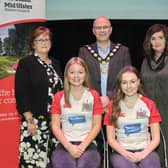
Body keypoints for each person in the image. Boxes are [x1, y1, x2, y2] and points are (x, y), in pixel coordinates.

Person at [15, 26, 63, 168]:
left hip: (55, 122)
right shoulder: (26, 63)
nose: (44, 43)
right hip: (35, 122)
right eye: (40, 40)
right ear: (33, 43)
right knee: (33, 161)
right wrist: (29, 120)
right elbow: (21, 94)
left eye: (47, 39)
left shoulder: (56, 63)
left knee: (53, 160)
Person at [50, 57, 103, 168]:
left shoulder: (94, 95)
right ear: (67, 75)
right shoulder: (59, 97)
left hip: (88, 145)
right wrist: (69, 147)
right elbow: (55, 126)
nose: (76, 76)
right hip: (65, 145)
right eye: (72, 72)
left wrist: (82, 146)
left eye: (80, 72)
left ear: (85, 74)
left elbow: (97, 125)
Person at [104, 65, 161, 168]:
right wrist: (126, 154)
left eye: (132, 82)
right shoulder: (112, 106)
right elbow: (111, 139)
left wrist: (142, 154)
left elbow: (156, 138)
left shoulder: (149, 104)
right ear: (120, 85)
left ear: (138, 82)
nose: (128, 86)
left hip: (146, 151)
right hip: (121, 152)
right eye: (124, 82)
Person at [78, 16, 131, 109]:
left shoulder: (123, 51)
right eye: (98, 28)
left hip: (117, 104)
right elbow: (79, 80)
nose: (102, 30)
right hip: (91, 104)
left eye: (105, 27)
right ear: (93, 31)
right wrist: (95, 97)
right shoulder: (84, 52)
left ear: (110, 30)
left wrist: (110, 96)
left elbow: (128, 80)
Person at [141, 24, 168, 166]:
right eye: (153, 38)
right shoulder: (145, 62)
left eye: (160, 38)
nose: (157, 42)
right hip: (150, 111)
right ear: (149, 42)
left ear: (166, 40)